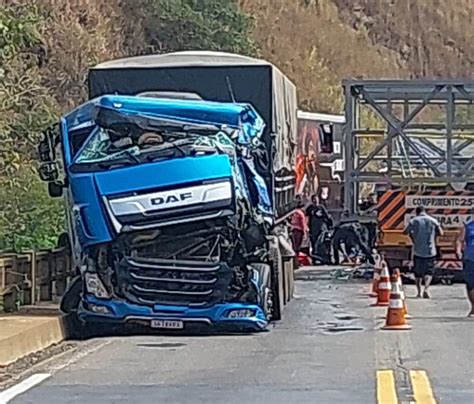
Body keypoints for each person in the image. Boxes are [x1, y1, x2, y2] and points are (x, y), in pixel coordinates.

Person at [404, 206, 443, 298]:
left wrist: (413, 235)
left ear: (417, 212)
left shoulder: (414, 221)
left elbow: (405, 232)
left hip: (418, 251)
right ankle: (426, 289)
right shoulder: (433, 220)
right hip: (430, 251)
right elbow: (441, 233)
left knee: (418, 273)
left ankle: (418, 292)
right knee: (429, 272)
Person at [456, 209, 474, 317]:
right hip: (470, 258)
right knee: (470, 284)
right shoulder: (467, 226)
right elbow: (460, 240)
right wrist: (458, 250)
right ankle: (473, 306)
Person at [306, 195, 333, 263]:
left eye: (316, 199)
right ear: (312, 200)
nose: (315, 201)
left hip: (322, 229)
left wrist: (330, 225)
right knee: (314, 243)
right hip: (313, 229)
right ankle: (315, 259)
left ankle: (325, 258)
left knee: (322, 243)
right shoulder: (310, 209)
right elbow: (307, 218)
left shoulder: (321, 207)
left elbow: (327, 216)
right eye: (314, 199)